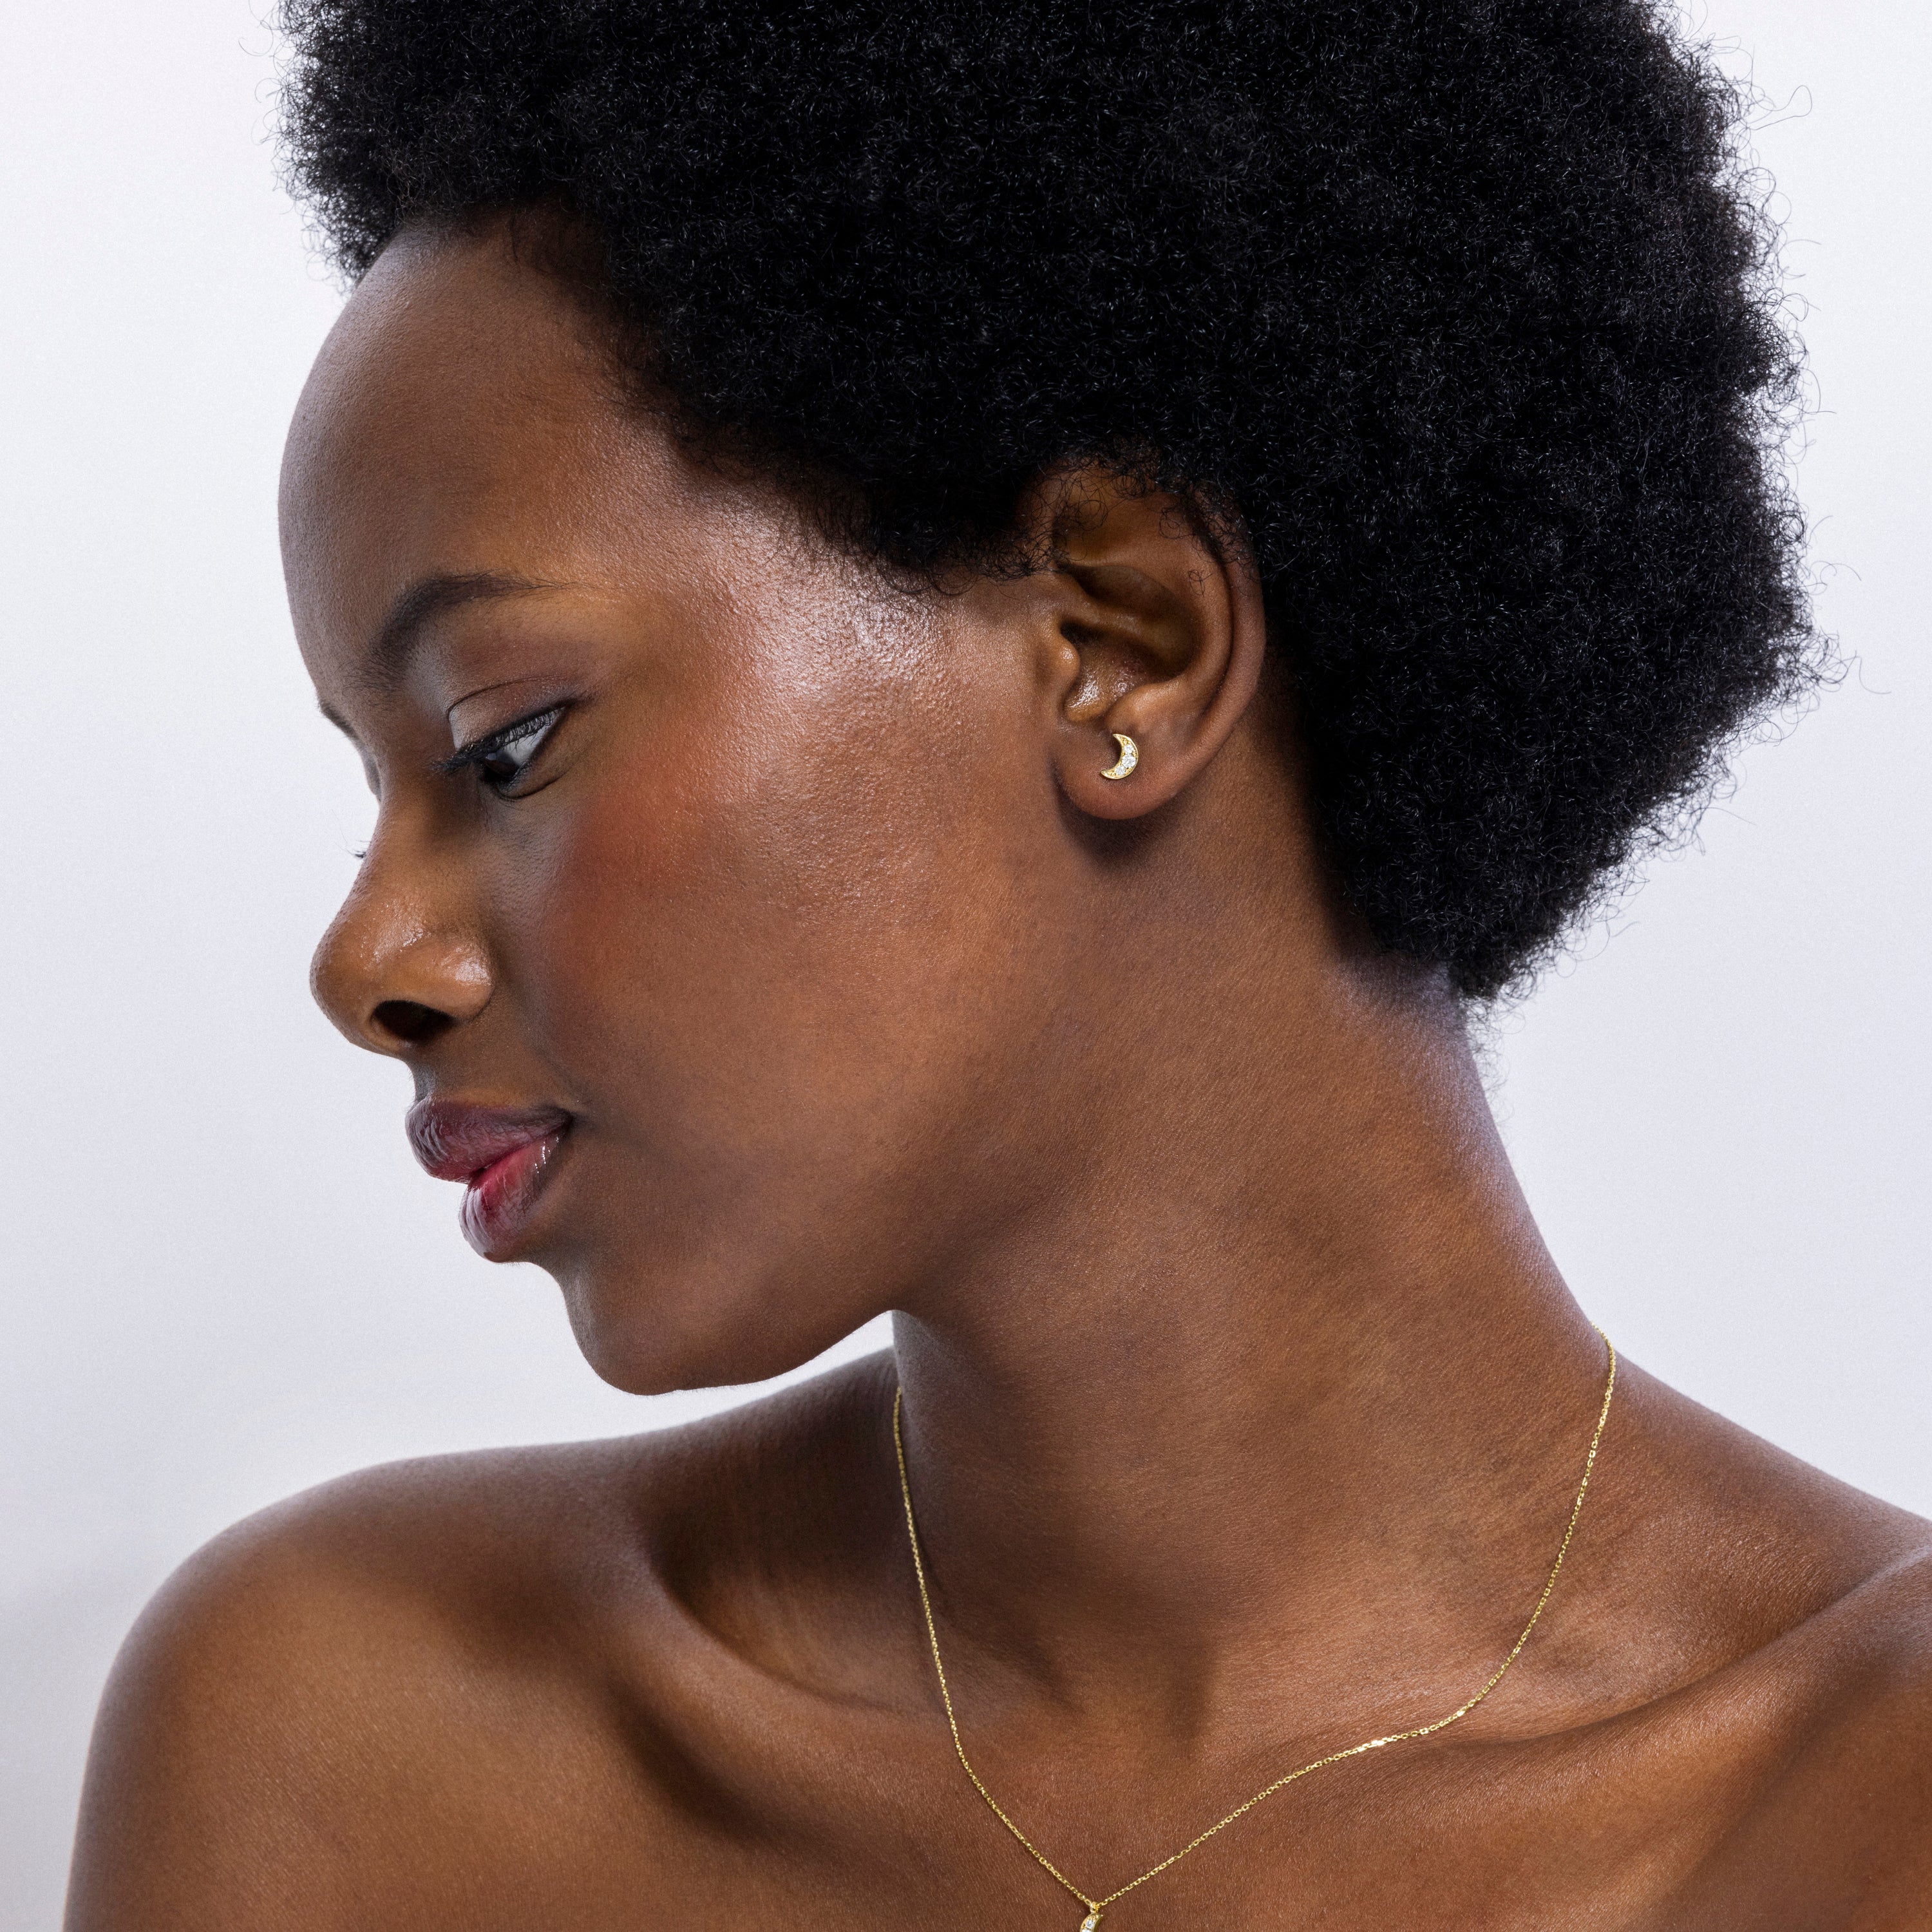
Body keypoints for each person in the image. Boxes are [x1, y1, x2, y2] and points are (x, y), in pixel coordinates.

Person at [64, 1, 1932, 1924]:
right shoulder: (360, 1753)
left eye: (505, 741)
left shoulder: (1877, 1807)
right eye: (369, 788)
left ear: (1122, 645)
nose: (366, 957)